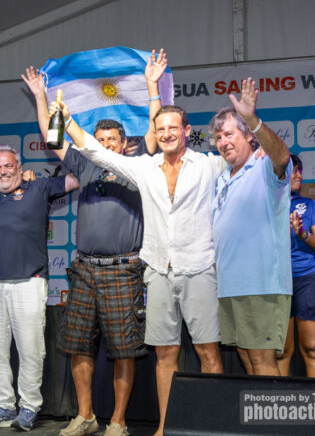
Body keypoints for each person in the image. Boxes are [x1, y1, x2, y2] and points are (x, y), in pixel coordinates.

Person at [58, 49, 225, 436]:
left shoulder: (209, 164)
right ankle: (165, 428)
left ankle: (213, 427)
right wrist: (66, 121)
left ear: (186, 131)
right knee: (165, 355)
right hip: (158, 272)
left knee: (208, 353)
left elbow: (245, 161)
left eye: (173, 128)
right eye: (160, 129)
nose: (165, 134)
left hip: (199, 269)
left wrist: (153, 86)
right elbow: (93, 150)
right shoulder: (143, 167)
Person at [22, 62, 157, 436]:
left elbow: (153, 129)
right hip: (84, 269)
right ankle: (85, 416)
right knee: (79, 344)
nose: (106, 144)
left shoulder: (137, 165)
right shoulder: (83, 163)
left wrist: (151, 86)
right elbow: (53, 138)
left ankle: (118, 421)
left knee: (124, 349)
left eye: (112, 139)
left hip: (123, 269)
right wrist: (41, 96)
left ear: (123, 143)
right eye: (100, 139)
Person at [0, 145, 78, 432]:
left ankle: (29, 407)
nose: (3, 171)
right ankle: (4, 406)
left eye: (9, 166)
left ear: (20, 167)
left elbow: (76, 178)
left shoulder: (39, 188)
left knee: (31, 350)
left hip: (30, 281)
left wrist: (84, 150)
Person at [208, 78, 292, 377]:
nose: (223, 142)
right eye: (218, 137)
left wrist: (252, 119)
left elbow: (282, 156)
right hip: (230, 286)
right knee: (246, 357)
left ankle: (270, 411)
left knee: (262, 360)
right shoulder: (222, 179)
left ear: (248, 136)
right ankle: (257, 408)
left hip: (261, 285)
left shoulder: (264, 166)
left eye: (229, 134)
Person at [276, 154, 315, 377]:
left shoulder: (307, 205)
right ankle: (277, 401)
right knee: (280, 353)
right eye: (294, 170)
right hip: (276, 283)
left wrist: (303, 234)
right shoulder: (265, 205)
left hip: (308, 280)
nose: (299, 175)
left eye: (300, 171)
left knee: (314, 349)